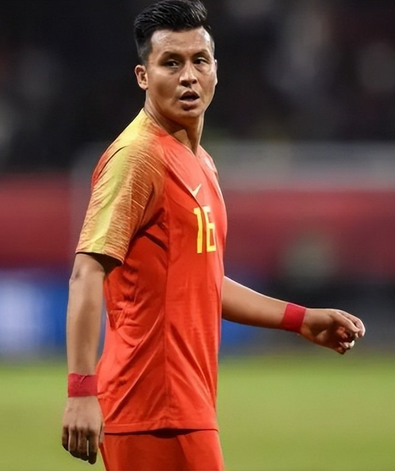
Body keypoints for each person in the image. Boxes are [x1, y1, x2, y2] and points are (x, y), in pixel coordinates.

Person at [60, 1, 366, 470]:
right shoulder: (138, 158)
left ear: (216, 71)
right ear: (143, 76)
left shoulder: (199, 161)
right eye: (171, 63)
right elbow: (86, 272)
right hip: (151, 407)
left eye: (199, 61)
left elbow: (202, 280)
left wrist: (300, 319)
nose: (188, 76)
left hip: (182, 404)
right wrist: (81, 392)